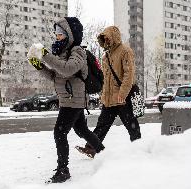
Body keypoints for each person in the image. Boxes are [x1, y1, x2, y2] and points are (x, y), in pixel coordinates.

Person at [27, 17, 105, 184]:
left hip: (73, 99)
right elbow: (56, 76)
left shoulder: (77, 52)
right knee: (81, 130)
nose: (57, 36)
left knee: (59, 132)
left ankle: (63, 170)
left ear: (70, 34)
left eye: (60, 33)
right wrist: (39, 66)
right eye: (56, 33)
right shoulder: (61, 53)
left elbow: (68, 69)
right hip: (67, 99)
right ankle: (103, 153)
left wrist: (45, 55)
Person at [76, 26, 141, 158]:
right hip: (109, 99)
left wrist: (122, 94)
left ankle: (139, 148)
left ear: (114, 37)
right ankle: (91, 148)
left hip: (123, 97)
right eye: (103, 38)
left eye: (107, 37)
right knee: (102, 124)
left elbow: (129, 74)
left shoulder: (125, 51)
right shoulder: (106, 56)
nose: (105, 40)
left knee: (131, 125)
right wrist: (103, 96)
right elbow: (106, 79)